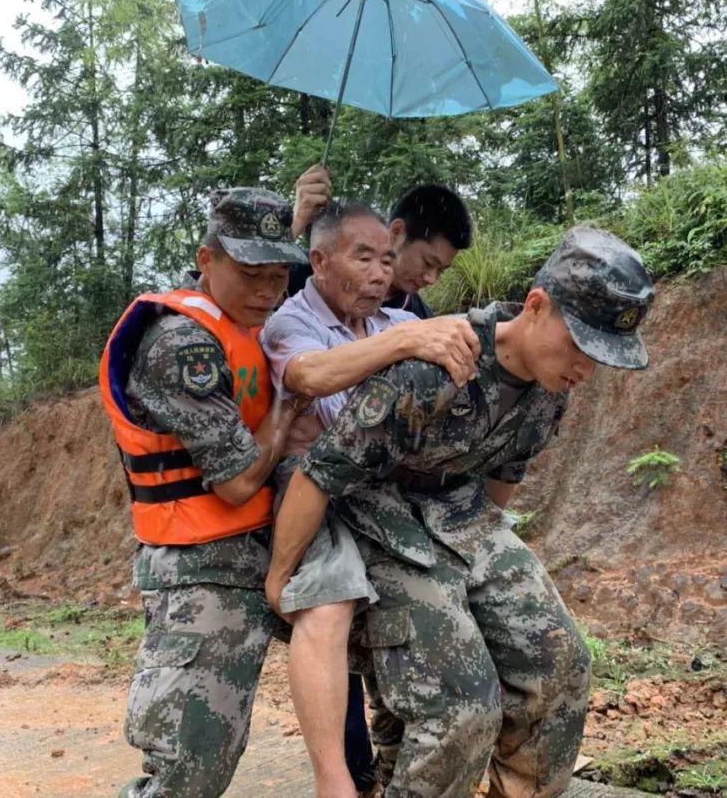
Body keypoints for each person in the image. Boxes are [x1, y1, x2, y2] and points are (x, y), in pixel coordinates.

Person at [267, 227, 656, 797]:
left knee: (560, 667)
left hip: (463, 520)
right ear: (536, 306)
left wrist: (479, 575)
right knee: (461, 705)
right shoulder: (434, 369)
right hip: (382, 522)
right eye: (580, 346)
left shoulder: (552, 386)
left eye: (600, 357)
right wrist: (281, 576)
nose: (585, 370)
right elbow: (318, 476)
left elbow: (503, 479)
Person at [260, 200, 481, 797]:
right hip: (313, 485)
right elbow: (311, 377)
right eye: (364, 257)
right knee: (328, 603)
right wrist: (408, 342)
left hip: (380, 489)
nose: (382, 273)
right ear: (319, 261)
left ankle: (400, 756)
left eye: (388, 258)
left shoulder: (387, 323)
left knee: (445, 591)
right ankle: (333, 782)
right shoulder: (292, 321)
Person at [100, 188, 309, 798]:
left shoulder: (254, 324)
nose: (269, 291)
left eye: (279, 275)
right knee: (191, 768)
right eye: (252, 274)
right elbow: (241, 482)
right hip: (203, 569)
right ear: (207, 259)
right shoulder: (180, 344)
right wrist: (287, 409)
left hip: (270, 548)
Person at [287, 164, 473, 319]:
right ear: (396, 232)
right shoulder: (311, 272)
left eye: (441, 270)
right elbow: (264, 281)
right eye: (428, 263)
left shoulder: (418, 320)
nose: (432, 279)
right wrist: (297, 221)